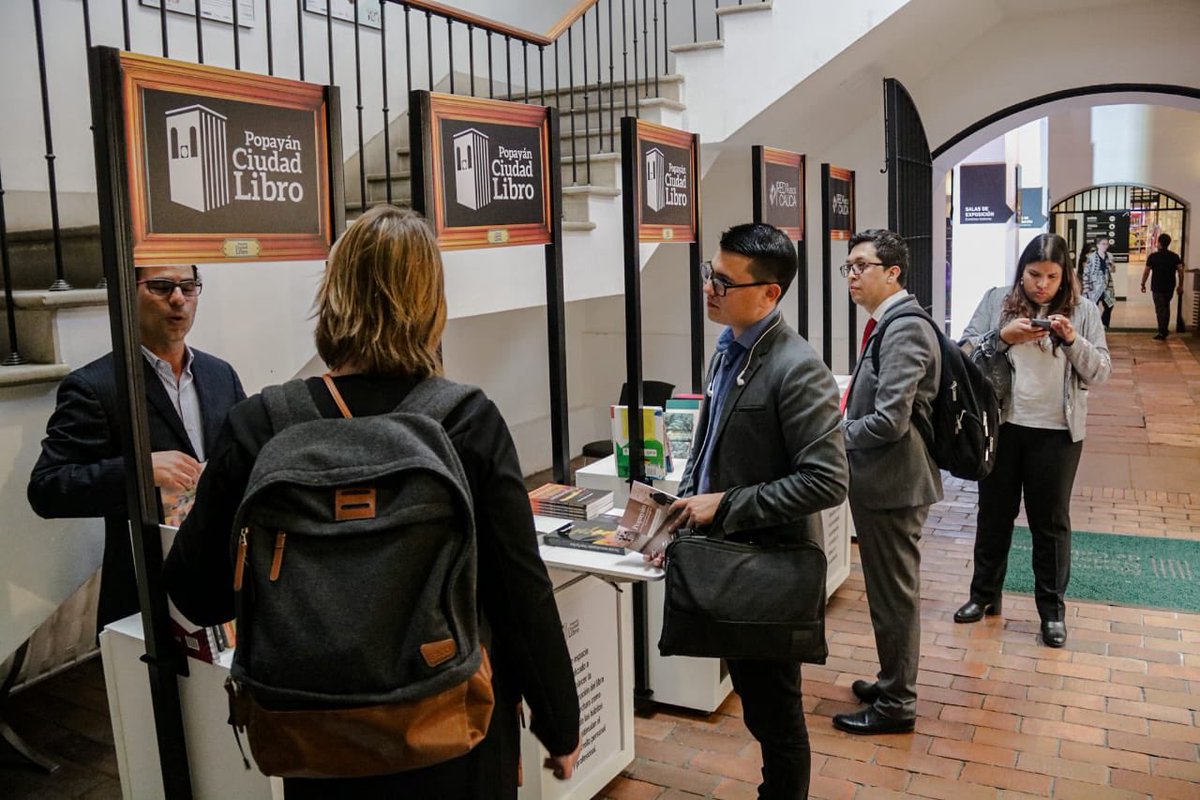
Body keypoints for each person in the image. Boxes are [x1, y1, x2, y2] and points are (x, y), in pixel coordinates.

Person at [162, 206, 580, 798]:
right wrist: (559, 722)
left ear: (332, 295)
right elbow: (520, 592)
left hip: (315, 734)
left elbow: (197, 594)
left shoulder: (261, 423)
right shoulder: (467, 420)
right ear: (431, 301)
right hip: (451, 727)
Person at [665, 223, 848, 798]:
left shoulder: (797, 368)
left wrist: (726, 505)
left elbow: (826, 481)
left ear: (770, 293)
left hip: (768, 568)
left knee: (777, 718)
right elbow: (713, 440)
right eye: (708, 275)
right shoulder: (730, 349)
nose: (710, 289)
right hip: (731, 558)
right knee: (761, 706)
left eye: (723, 280)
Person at [28, 264, 245, 633]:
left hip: (221, 577)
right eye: (161, 286)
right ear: (129, 293)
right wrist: (139, 472)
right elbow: (47, 488)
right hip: (145, 590)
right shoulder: (95, 386)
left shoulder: (219, 374)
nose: (178, 299)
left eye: (188, 287)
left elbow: (244, 455)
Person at [954, 233, 1111, 648]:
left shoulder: (1083, 312)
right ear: (1021, 272)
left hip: (1058, 433)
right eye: (1033, 274)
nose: (1041, 285)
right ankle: (983, 596)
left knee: (1050, 523)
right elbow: (964, 355)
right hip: (1003, 427)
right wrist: (1003, 338)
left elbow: (1100, 372)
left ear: (1065, 277)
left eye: (1052, 276)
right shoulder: (996, 300)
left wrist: (1072, 341)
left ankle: (1052, 613)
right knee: (993, 515)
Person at [833, 230, 942, 736]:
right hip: (884, 479)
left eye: (861, 266)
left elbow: (889, 422)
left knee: (895, 597)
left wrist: (833, 432)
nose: (851, 276)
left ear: (892, 272)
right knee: (885, 593)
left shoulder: (904, 328)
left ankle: (897, 704)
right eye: (848, 267)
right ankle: (890, 679)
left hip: (895, 482)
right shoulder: (888, 324)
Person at [1141, 233, 1185, 340]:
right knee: (1166, 307)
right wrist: (1180, 285)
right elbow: (1180, 272)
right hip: (1170, 286)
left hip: (1157, 287)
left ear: (1159, 243)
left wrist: (1143, 283)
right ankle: (1164, 328)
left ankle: (1162, 331)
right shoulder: (1175, 256)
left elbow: (1146, 271)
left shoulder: (1153, 257)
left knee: (1160, 309)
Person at [1080, 235, 1115, 328]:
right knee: (1093, 306)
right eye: (1103, 244)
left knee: (1109, 305)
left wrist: (1111, 265)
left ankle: (1104, 324)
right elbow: (1086, 273)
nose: (1105, 246)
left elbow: (1113, 270)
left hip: (1107, 285)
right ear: (1098, 245)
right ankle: (1093, 325)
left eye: (1107, 244)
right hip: (1094, 285)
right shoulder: (1090, 257)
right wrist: (1086, 287)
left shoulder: (1109, 256)